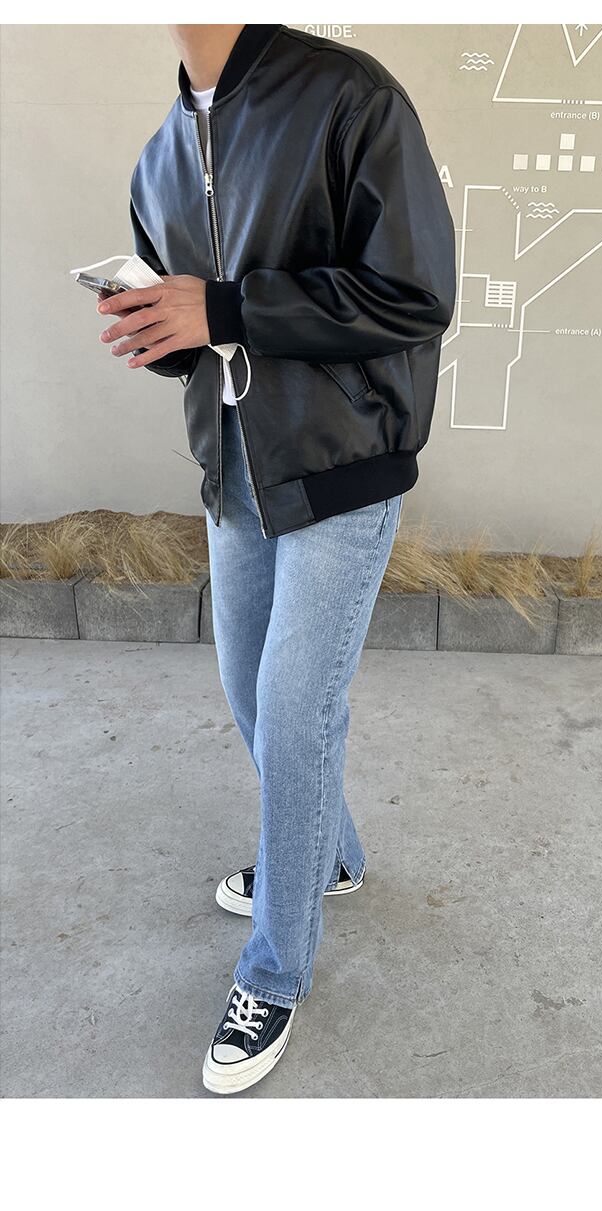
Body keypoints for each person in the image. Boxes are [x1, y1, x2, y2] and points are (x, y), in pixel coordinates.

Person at [96, 23, 456, 1095]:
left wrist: (224, 306)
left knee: (298, 709)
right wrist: (159, 328)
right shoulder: (160, 156)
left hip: (343, 459)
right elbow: (201, 341)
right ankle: (325, 854)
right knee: (250, 693)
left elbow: (415, 291)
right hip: (236, 468)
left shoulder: (349, 98)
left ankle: (276, 970)